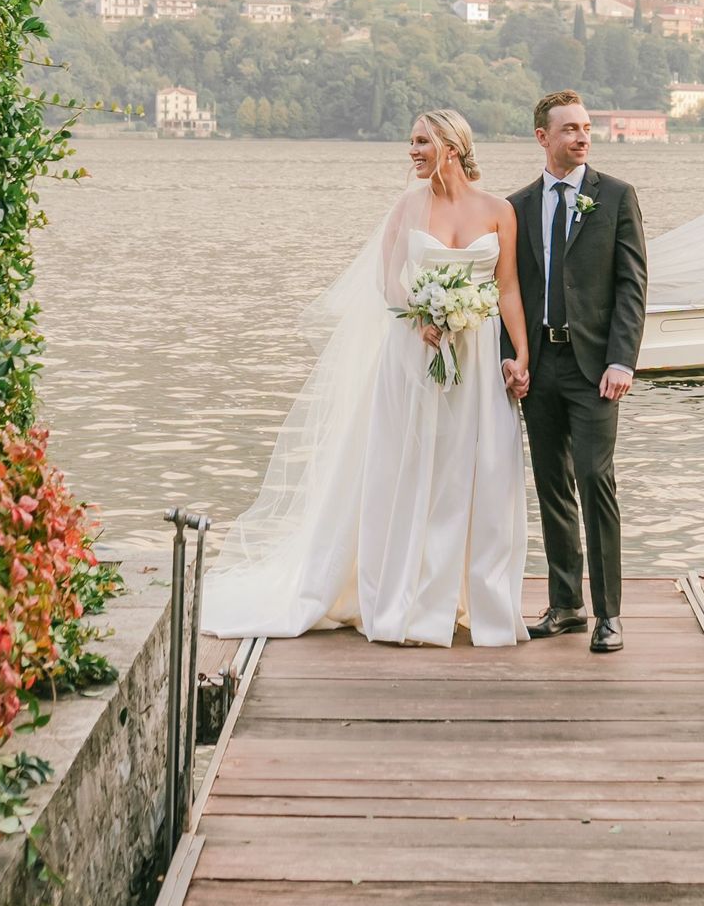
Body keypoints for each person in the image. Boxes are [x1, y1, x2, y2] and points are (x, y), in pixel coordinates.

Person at [199, 110, 534, 645]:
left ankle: (473, 599)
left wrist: (520, 354)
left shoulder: (499, 211)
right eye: (411, 142)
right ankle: (406, 597)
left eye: (422, 141)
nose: (413, 151)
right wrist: (421, 315)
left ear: (451, 146)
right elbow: (389, 282)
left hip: (478, 356)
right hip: (416, 354)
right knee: (407, 469)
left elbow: (508, 288)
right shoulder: (407, 207)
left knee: (476, 472)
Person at [505, 91, 647, 654]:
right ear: (543, 137)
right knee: (552, 486)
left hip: (595, 370)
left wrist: (621, 359)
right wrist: (511, 358)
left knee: (595, 481)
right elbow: (507, 290)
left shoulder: (615, 197)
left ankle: (610, 614)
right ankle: (566, 604)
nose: (582, 136)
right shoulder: (516, 207)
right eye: (569, 129)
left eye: (586, 127)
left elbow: (631, 286)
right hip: (540, 367)